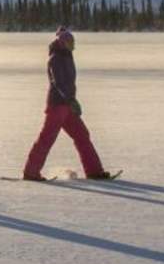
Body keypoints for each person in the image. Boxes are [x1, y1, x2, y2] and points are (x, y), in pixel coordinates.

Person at [22, 26, 116, 181]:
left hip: (67, 106)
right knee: (47, 137)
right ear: (63, 42)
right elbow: (58, 82)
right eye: (71, 42)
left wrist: (71, 101)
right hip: (57, 106)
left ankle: (94, 171)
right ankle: (31, 172)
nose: (74, 45)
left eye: (74, 42)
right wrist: (70, 99)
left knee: (82, 135)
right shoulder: (55, 59)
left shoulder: (66, 56)